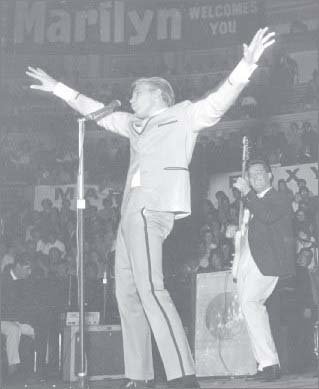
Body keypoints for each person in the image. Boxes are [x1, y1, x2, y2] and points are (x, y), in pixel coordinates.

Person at [26, 28, 275, 389]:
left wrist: (247, 64)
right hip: (129, 214)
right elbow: (96, 111)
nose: (131, 97)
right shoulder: (135, 124)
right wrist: (58, 88)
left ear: (158, 93)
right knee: (126, 294)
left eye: (137, 92)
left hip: (151, 208)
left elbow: (219, 101)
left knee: (151, 289)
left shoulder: (182, 115)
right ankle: (139, 375)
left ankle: (182, 374)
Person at [233, 160, 295, 382]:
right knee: (249, 307)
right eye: (251, 174)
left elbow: (268, 216)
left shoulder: (280, 196)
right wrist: (237, 231)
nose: (256, 176)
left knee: (251, 303)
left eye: (260, 173)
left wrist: (247, 193)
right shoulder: (249, 201)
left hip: (268, 261)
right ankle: (265, 363)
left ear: (270, 175)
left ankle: (269, 364)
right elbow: (250, 227)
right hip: (248, 258)